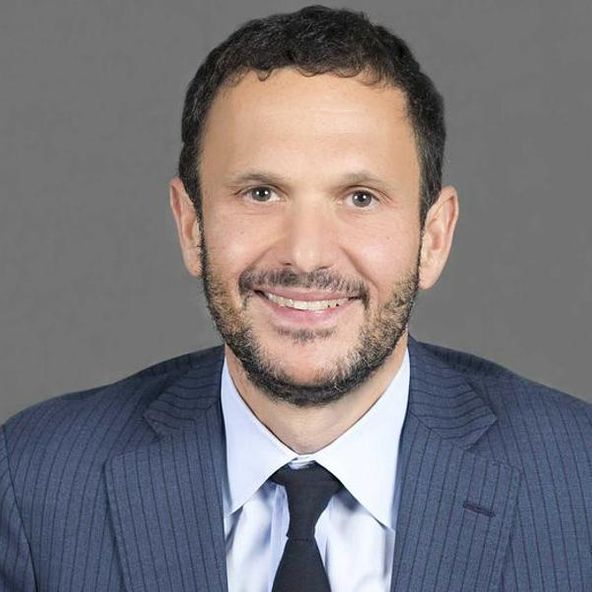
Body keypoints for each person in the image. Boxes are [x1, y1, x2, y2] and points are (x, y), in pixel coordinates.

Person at [1, 5, 590, 591]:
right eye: (261, 193)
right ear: (190, 226)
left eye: (360, 198)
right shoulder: (33, 482)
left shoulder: (579, 480)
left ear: (433, 238)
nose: (306, 255)